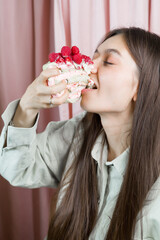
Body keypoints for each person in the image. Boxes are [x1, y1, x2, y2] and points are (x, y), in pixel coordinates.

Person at [0, 27, 160, 240]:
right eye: (93, 56)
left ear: (140, 88)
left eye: (108, 61)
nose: (89, 65)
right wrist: (27, 106)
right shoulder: (78, 134)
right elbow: (17, 167)